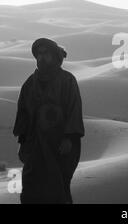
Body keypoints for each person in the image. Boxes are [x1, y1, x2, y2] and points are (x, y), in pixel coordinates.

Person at [13, 38, 85, 204]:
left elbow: (74, 110)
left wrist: (69, 138)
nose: (42, 57)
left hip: (59, 144)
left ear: (54, 56)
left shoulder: (67, 80)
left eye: (46, 53)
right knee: (31, 185)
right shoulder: (29, 84)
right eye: (39, 54)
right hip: (35, 144)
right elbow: (23, 113)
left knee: (57, 186)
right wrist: (22, 141)